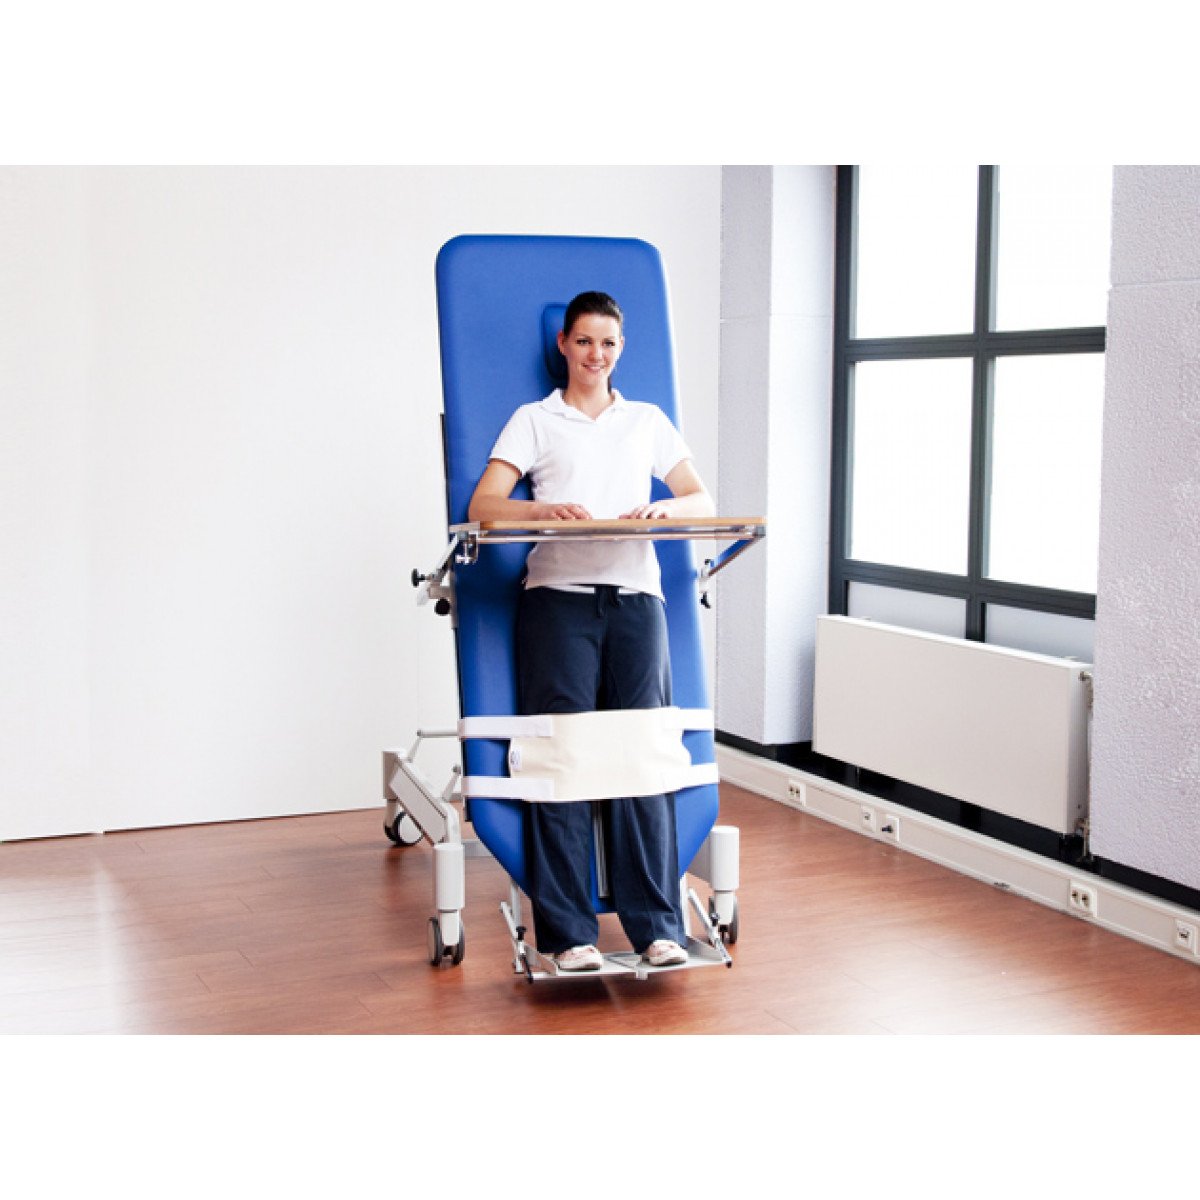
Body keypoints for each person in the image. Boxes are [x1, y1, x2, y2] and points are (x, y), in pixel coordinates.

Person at [468, 290, 715, 971]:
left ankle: (656, 928)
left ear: (620, 349)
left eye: (607, 343)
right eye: (584, 342)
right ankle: (569, 935)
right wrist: (545, 511)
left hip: (636, 601)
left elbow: (701, 499)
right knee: (564, 761)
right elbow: (485, 504)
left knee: (642, 757)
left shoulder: (646, 420)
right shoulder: (534, 420)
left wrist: (666, 511)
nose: (595, 355)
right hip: (558, 602)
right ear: (564, 345)